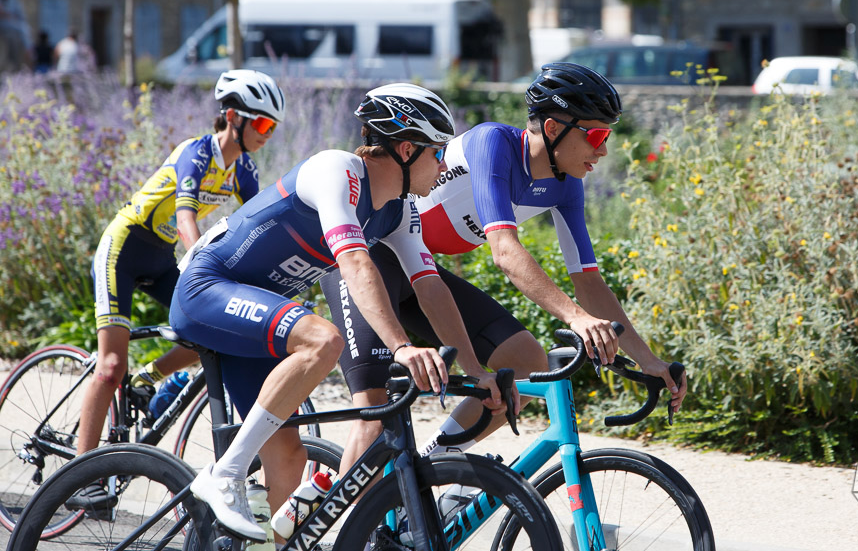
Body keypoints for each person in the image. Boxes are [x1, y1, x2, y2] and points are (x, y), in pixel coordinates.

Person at [169, 84, 505, 542]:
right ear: (406, 149)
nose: (444, 164)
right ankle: (224, 473)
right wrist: (402, 347)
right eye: (437, 152)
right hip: (208, 288)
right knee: (323, 339)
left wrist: (474, 369)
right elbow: (353, 263)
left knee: (289, 458)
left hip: (258, 317)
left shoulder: (399, 208)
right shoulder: (336, 170)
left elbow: (430, 287)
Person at [320, 62, 687, 475]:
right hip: (366, 261)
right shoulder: (492, 143)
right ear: (552, 129)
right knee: (372, 414)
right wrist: (577, 319)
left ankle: (435, 462)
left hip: (419, 270)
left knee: (527, 361)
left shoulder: (566, 186)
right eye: (597, 135)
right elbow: (505, 252)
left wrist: (647, 359)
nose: (603, 150)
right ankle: (337, 530)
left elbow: (589, 280)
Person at [67, 70, 285, 510]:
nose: (267, 134)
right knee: (110, 367)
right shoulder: (196, 152)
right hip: (124, 249)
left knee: (211, 329)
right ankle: (79, 475)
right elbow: (186, 217)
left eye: (272, 127)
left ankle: (149, 378)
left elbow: (261, 223)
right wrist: (200, 262)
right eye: (261, 125)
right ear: (232, 117)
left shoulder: (242, 169)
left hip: (160, 258)